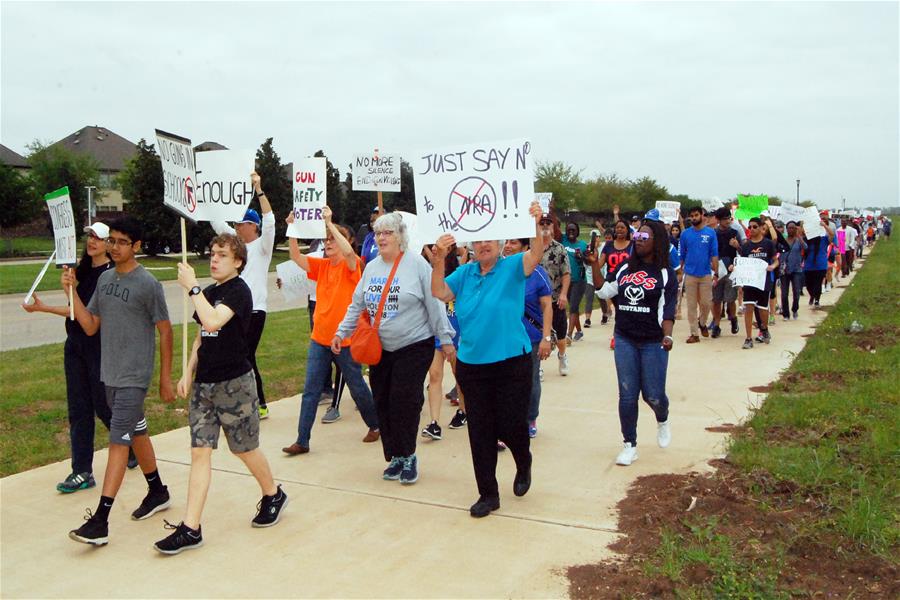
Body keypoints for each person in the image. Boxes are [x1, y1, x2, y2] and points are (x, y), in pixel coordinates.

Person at [154, 234, 288, 554]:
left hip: (234, 384)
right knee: (200, 451)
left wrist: (192, 288)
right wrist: (187, 372)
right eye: (213, 254)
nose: (214, 260)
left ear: (238, 261)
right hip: (205, 386)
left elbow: (215, 318)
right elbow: (203, 335)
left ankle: (273, 493)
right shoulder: (210, 291)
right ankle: (191, 527)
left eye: (222, 255)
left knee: (243, 448)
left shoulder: (239, 291)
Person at [64, 216, 176, 546]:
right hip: (108, 373)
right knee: (136, 430)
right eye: (111, 240)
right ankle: (157, 490)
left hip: (133, 376)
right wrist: (72, 293)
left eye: (121, 241)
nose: (113, 246)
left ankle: (100, 520)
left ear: (137, 246)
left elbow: (165, 330)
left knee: (118, 440)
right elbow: (89, 325)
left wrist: (164, 378)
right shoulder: (105, 279)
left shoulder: (148, 284)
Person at [431, 201, 543, 517]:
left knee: (510, 424)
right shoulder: (465, 274)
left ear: (499, 244)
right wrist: (439, 259)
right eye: (478, 241)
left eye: (489, 240)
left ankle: (524, 460)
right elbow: (439, 291)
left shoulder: (512, 267)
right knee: (480, 430)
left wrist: (535, 223)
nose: (483, 245)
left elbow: (535, 254)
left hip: (512, 362)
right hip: (472, 365)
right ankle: (488, 494)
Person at [334, 212, 455, 485]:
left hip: (414, 344)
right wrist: (342, 332)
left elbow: (435, 304)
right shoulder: (372, 267)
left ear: (400, 236)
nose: (381, 238)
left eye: (387, 232)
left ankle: (409, 455)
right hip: (381, 348)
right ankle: (395, 456)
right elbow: (357, 305)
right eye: (378, 233)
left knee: (404, 399)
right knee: (383, 401)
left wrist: (445, 338)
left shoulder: (417, 266)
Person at [22, 222, 122, 492]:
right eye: (90, 236)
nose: (92, 242)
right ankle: (82, 471)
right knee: (78, 409)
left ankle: (131, 446)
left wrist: (71, 291)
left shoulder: (110, 276)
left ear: (108, 245)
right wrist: (44, 306)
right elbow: (74, 311)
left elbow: (90, 322)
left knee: (103, 405)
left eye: (99, 239)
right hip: (75, 346)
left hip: (98, 347)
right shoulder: (84, 270)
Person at [282, 207, 380, 456]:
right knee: (310, 391)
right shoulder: (322, 266)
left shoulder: (353, 266)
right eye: (325, 239)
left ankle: (376, 424)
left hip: (345, 339)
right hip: (320, 339)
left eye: (332, 239)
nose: (328, 242)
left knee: (357, 386)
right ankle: (302, 440)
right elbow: (295, 257)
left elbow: (348, 252)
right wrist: (292, 229)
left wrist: (330, 224)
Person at [597, 218, 676, 466]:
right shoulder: (624, 269)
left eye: (644, 237)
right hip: (625, 338)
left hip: (654, 341)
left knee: (653, 395)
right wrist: (592, 265)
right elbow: (602, 291)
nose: (639, 241)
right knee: (628, 395)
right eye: (637, 237)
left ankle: (662, 418)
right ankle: (629, 445)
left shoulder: (665, 273)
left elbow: (668, 310)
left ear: (657, 242)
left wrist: (668, 335)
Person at [211, 172, 274, 419]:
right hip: (233, 308)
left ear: (253, 226)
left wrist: (259, 189)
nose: (237, 227)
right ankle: (245, 401)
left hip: (255, 310)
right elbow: (217, 224)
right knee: (236, 354)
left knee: (245, 355)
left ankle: (258, 403)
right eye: (235, 224)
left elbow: (270, 220)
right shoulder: (234, 247)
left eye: (242, 224)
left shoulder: (262, 246)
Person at [503, 237, 553, 439]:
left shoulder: (537, 273)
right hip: (503, 337)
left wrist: (546, 338)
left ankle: (530, 417)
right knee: (505, 382)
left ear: (525, 248)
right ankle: (509, 420)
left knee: (529, 380)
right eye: (506, 242)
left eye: (513, 242)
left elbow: (547, 306)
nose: (507, 245)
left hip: (530, 338)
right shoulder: (497, 270)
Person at [421, 243, 468, 440]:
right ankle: (434, 423)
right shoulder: (429, 274)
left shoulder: (460, 274)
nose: (433, 251)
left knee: (460, 377)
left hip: (458, 333)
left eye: (438, 249)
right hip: (437, 333)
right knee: (434, 375)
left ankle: (463, 412)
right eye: (431, 249)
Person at [538, 212, 572, 375]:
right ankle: (537, 365)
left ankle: (562, 355)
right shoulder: (531, 248)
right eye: (541, 223)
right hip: (535, 300)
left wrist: (564, 294)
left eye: (548, 223)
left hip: (555, 297)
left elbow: (566, 273)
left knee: (560, 334)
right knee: (536, 332)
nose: (544, 225)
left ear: (553, 227)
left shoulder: (559, 249)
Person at [679, 206, 719, 343]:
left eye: (696, 215)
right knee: (691, 305)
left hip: (706, 274)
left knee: (706, 303)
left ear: (702, 215)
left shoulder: (710, 233)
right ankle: (694, 333)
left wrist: (716, 272)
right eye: (692, 216)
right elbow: (682, 255)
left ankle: (702, 322)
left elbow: (714, 254)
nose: (694, 218)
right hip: (690, 274)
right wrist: (680, 271)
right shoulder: (685, 234)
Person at [738, 218, 779, 349]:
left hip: (763, 281)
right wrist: (735, 269)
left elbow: (775, 260)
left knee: (762, 309)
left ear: (761, 228)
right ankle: (748, 338)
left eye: (755, 227)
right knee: (748, 308)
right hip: (750, 281)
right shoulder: (746, 246)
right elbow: (742, 263)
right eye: (750, 227)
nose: (752, 229)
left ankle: (764, 328)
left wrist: (772, 266)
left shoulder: (768, 244)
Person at [594, 219, 633, 329]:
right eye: (617, 227)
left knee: (627, 309)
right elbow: (600, 264)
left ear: (627, 230)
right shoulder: (609, 245)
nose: (619, 229)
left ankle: (625, 332)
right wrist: (593, 259)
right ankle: (619, 334)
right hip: (612, 282)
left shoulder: (633, 245)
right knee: (619, 309)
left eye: (622, 227)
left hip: (627, 282)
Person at [709, 207, 741, 337]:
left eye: (729, 218)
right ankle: (716, 325)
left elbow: (743, 251)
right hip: (717, 269)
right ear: (718, 220)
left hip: (730, 270)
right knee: (716, 299)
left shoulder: (735, 232)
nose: (727, 221)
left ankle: (733, 318)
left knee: (730, 299)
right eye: (725, 219)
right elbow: (708, 252)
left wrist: (737, 246)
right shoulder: (713, 234)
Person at [561, 222, 588, 342]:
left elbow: (589, 260)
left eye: (573, 230)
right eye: (569, 230)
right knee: (574, 307)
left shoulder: (582, 244)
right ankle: (579, 331)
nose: (571, 232)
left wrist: (581, 256)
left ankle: (569, 335)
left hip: (579, 280)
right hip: (566, 281)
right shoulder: (563, 241)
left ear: (578, 232)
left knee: (573, 306)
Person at [802, 217, 835, 308]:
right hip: (808, 266)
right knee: (808, 284)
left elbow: (832, 235)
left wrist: (824, 225)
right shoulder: (807, 240)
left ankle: (817, 300)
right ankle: (812, 295)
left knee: (818, 283)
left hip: (820, 265)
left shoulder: (824, 239)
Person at [779, 221, 807, 320]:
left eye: (793, 228)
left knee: (796, 292)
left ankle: (795, 309)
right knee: (784, 294)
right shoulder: (783, 240)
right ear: (786, 229)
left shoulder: (799, 240)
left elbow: (805, 247)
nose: (791, 230)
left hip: (796, 270)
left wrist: (799, 236)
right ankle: (786, 314)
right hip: (785, 270)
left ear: (796, 229)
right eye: (789, 228)